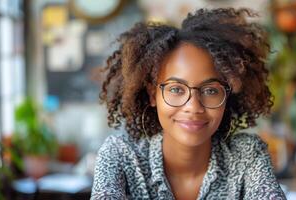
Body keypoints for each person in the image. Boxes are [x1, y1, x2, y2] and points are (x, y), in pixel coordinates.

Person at [91, 7, 286, 200]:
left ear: (228, 97)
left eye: (210, 90)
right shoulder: (120, 155)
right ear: (152, 95)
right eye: (176, 89)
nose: (193, 107)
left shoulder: (247, 154)